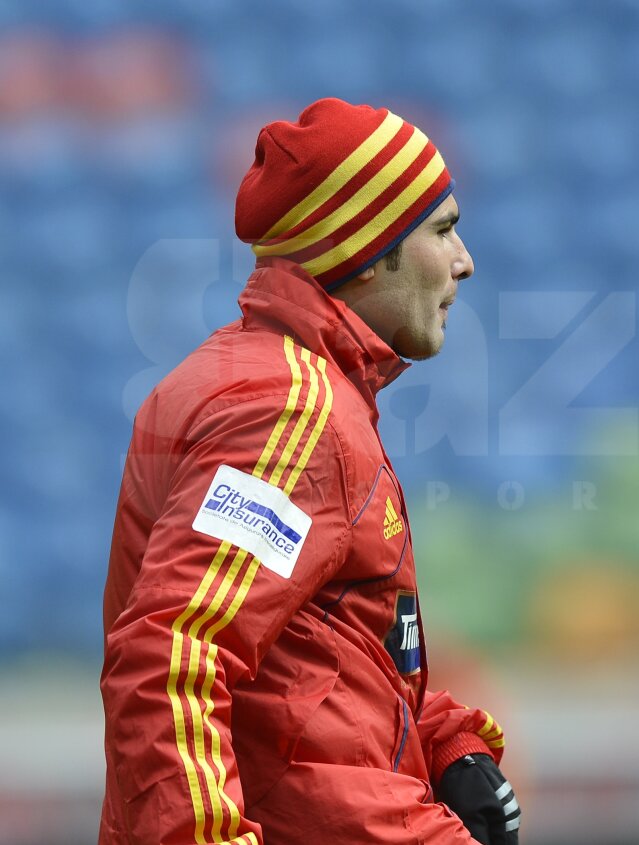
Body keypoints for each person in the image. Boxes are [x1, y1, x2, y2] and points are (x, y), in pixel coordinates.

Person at [99, 98, 520, 844]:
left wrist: (443, 743)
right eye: (442, 230)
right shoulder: (288, 411)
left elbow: (309, 664)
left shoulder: (269, 384)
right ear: (368, 249)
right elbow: (172, 654)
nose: (465, 261)